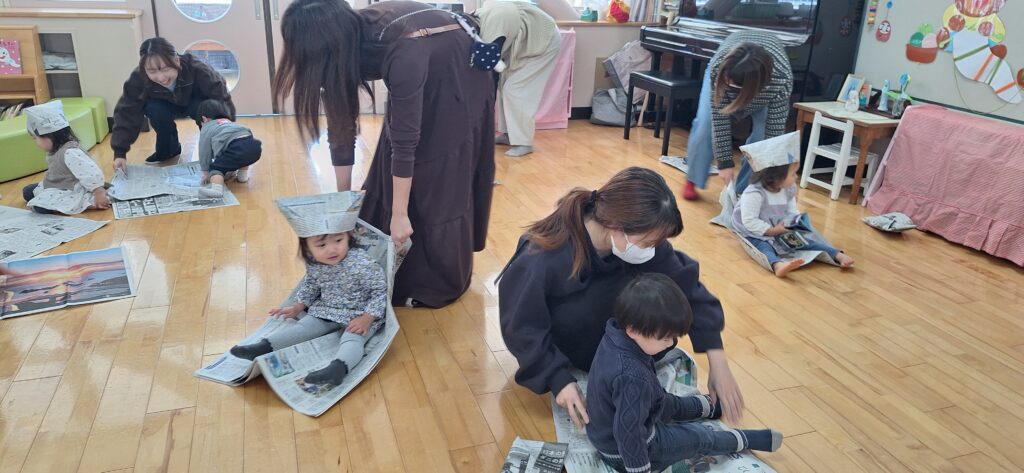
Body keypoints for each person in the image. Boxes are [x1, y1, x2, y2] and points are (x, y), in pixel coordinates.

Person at [273, 0, 496, 308]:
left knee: (433, 170)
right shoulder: (342, 44)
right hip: (419, 59)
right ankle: (391, 261)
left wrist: (400, 215)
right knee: (395, 157)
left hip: (459, 73)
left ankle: (435, 282)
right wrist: (343, 202)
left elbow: (406, 142)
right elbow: (341, 125)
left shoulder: (404, 48)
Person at [498, 167, 745, 429]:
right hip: (574, 352)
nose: (652, 249)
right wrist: (557, 378)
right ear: (616, 226)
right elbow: (522, 325)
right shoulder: (544, 256)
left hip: (619, 349)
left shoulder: (637, 243)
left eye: (656, 243)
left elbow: (688, 289)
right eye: (647, 242)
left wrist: (718, 362)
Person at [587, 273, 782, 473]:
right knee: (699, 437)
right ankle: (743, 439)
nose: (671, 344)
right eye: (665, 338)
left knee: (669, 403)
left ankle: (707, 406)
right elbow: (630, 434)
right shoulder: (631, 376)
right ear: (633, 330)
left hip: (628, 417)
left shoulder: (615, 334)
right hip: (629, 451)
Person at [229, 193, 388, 388]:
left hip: (359, 314)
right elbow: (311, 284)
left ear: (349, 237)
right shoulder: (315, 263)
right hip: (327, 310)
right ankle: (262, 347)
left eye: (338, 241)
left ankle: (338, 369)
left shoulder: (362, 263)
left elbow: (379, 292)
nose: (331, 249)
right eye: (321, 245)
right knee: (303, 328)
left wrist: (367, 318)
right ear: (308, 248)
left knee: (353, 339)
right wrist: (298, 306)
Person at [681, 30, 793, 201]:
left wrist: (768, 177)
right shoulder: (720, 69)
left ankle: (744, 191)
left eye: (732, 83)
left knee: (762, 137)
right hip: (730, 72)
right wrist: (724, 163)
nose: (727, 84)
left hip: (762, 85)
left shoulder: (781, 81)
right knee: (705, 123)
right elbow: (719, 119)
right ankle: (693, 177)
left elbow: (772, 136)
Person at [732, 133, 854, 277]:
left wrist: (793, 223)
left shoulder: (788, 189)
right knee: (764, 247)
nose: (796, 177)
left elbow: (791, 209)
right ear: (775, 176)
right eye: (793, 174)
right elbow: (749, 221)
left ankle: (836, 254)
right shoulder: (754, 193)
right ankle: (777, 265)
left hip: (779, 226)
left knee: (805, 241)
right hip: (756, 231)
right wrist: (771, 231)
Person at [111, 37, 235, 172]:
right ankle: (169, 150)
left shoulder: (198, 68)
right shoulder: (138, 78)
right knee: (153, 108)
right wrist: (119, 153)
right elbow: (127, 113)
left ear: (176, 60)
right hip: (163, 106)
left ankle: (216, 151)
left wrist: (229, 141)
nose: (161, 78)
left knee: (209, 107)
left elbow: (222, 100)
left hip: (196, 103)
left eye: (165, 69)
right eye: (152, 72)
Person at [476, 0, 561, 157]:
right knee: (505, 86)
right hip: (527, 40)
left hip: (544, 39)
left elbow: (490, 73)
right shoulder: (478, 24)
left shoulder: (491, 29)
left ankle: (524, 142)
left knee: (515, 89)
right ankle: (509, 135)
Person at [21, 101, 111, 215]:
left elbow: (90, 172)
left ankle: (88, 203)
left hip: (71, 189)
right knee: (27, 191)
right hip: (58, 184)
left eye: (35, 138)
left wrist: (98, 192)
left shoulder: (70, 152)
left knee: (39, 207)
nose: (36, 143)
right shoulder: (56, 149)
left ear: (48, 136)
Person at [195, 99, 262, 198]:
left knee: (216, 168)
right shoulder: (228, 122)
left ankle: (216, 189)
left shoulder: (207, 127)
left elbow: (204, 151)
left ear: (204, 119)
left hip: (236, 147)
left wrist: (206, 172)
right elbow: (246, 133)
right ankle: (242, 176)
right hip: (254, 146)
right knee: (243, 153)